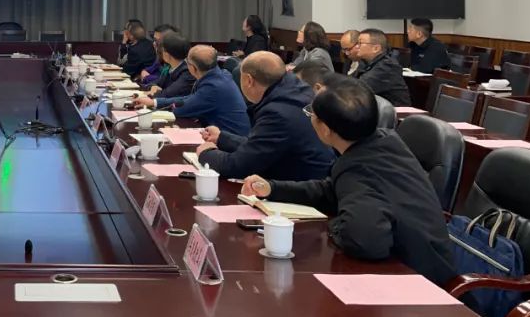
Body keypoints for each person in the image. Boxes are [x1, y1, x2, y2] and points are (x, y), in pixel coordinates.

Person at [242, 76, 455, 286]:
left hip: (417, 283)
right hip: (417, 266)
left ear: (325, 129)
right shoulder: (384, 142)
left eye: (311, 114)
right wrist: (273, 188)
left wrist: (335, 226)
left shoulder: (359, 168)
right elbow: (332, 190)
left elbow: (366, 242)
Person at [194, 52, 334, 180]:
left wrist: (207, 153)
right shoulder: (296, 92)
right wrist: (222, 138)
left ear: (249, 80)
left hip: (299, 190)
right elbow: (260, 146)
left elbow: (238, 166)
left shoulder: (278, 112)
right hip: (306, 178)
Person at [137, 45, 250, 135]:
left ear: (192, 68)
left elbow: (181, 109)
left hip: (229, 144)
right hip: (223, 135)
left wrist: (157, 103)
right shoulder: (220, 75)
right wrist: (154, 102)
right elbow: (191, 99)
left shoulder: (213, 87)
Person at [354, 28, 412, 106]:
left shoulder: (387, 66)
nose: (356, 46)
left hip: (396, 111)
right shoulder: (365, 62)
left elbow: (358, 88)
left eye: (360, 43)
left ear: (376, 48)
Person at [149, 33, 194, 99]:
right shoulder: (169, 67)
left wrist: (154, 93)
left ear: (167, 54)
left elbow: (168, 94)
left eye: (162, 50)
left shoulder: (187, 72)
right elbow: (155, 83)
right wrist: (153, 86)